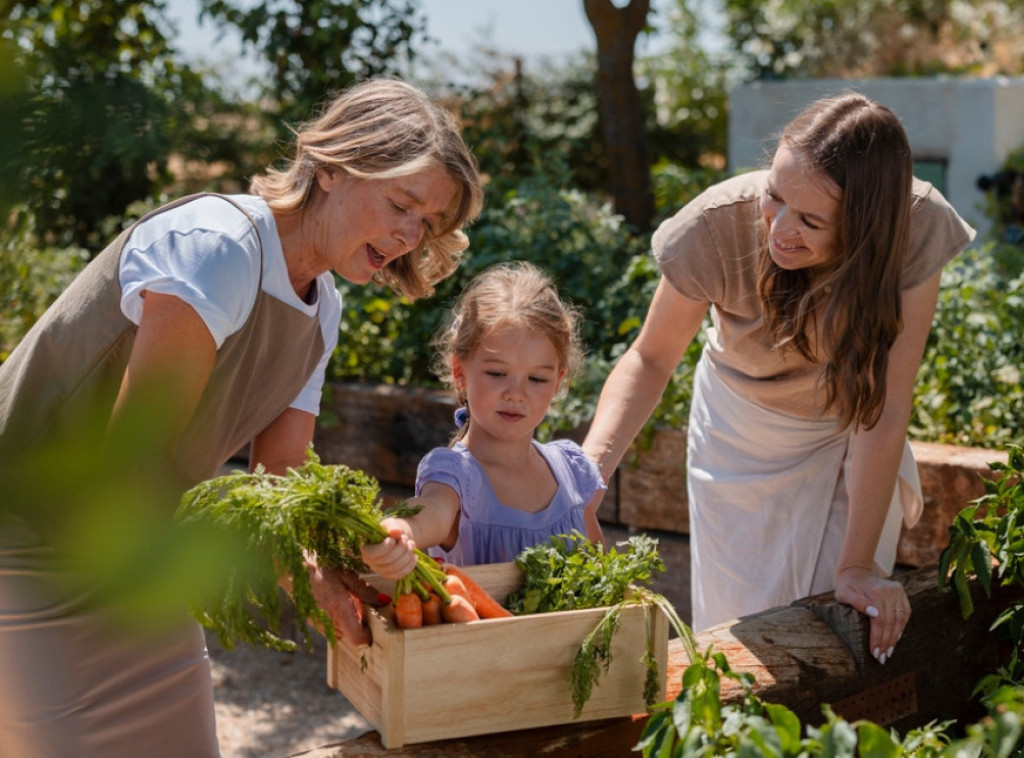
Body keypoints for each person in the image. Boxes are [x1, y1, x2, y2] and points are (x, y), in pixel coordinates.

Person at [0, 77, 483, 758]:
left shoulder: (323, 311)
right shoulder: (219, 247)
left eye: (427, 224)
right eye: (401, 203)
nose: (408, 236)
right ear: (334, 168)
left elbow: (277, 483)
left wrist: (331, 580)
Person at [581, 92, 975, 665]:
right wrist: (589, 475)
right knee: (744, 643)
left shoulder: (914, 228)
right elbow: (651, 359)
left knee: (844, 634)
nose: (779, 228)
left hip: (851, 431)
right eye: (775, 195)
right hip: (739, 438)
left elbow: (885, 408)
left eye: (811, 220)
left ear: (867, 227)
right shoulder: (715, 224)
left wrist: (857, 565)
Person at [360, 261, 605, 580]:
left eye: (537, 379)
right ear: (460, 371)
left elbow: (604, 569)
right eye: (497, 374)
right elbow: (431, 514)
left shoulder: (571, 472)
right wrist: (401, 529)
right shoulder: (456, 476)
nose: (516, 393)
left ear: (557, 383)